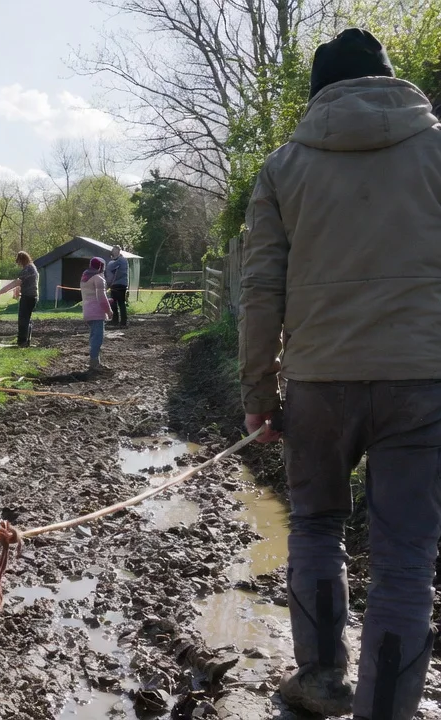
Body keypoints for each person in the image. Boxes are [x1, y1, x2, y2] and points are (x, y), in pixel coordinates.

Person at [239, 28, 441, 720]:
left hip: (321, 381)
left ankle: (323, 680)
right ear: (391, 80)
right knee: (405, 558)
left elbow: (260, 290)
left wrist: (259, 395)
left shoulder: (283, 167)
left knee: (318, 527)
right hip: (422, 381)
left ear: (319, 94)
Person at [0, 251, 39, 347]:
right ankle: (27, 340)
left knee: (23, 320)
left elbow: (15, 283)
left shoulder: (27, 269)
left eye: (19, 262)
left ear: (22, 260)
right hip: (33, 296)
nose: (18, 264)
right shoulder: (32, 267)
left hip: (27, 297)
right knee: (27, 319)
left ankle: (22, 342)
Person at [81, 257, 112, 372]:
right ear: (101, 267)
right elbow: (101, 298)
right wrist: (109, 311)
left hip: (87, 311)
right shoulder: (99, 278)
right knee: (97, 338)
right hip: (97, 313)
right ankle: (94, 362)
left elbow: (91, 295)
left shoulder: (85, 277)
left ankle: (96, 361)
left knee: (94, 336)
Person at [105, 245, 129, 328]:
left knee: (121, 303)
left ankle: (123, 322)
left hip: (120, 284)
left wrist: (110, 282)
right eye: (113, 250)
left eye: (115, 250)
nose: (113, 251)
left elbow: (112, 269)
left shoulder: (122, 260)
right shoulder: (116, 261)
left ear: (118, 251)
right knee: (113, 303)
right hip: (115, 284)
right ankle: (115, 320)